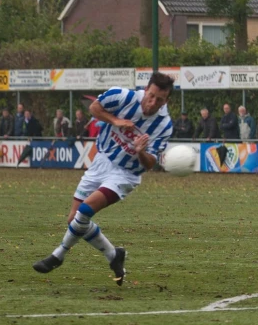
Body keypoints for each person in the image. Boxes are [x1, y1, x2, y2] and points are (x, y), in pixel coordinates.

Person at [33, 72, 175, 286]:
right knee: (74, 220)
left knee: (85, 211)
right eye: (151, 96)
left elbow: (150, 163)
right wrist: (116, 120)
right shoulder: (123, 96)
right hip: (101, 161)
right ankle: (113, 254)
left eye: (160, 100)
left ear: (166, 101)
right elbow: (95, 108)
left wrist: (140, 151)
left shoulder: (164, 125)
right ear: (146, 90)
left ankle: (57, 255)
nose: (153, 102)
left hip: (125, 174)